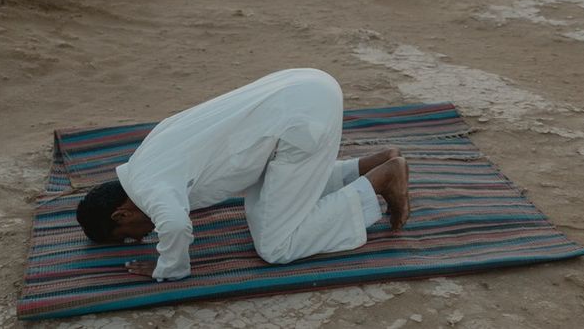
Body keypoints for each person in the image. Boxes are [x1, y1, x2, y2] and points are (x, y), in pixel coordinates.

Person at [76, 68, 410, 281]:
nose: (139, 240)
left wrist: (167, 268)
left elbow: (176, 226)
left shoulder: (151, 190)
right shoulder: (143, 160)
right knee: (263, 201)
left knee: (276, 245)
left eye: (128, 236)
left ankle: (381, 180)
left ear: (121, 212)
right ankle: (370, 164)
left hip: (301, 120)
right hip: (305, 84)